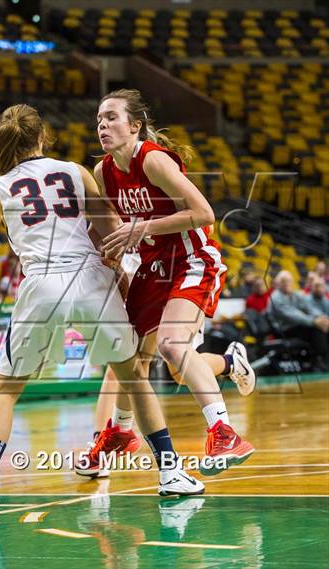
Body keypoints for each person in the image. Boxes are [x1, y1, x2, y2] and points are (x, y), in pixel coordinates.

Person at [0, 104, 205, 510]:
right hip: (90, 278)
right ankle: (171, 471)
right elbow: (110, 233)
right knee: (134, 378)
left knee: (6, 390)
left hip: (41, 282)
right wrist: (122, 276)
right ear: (42, 137)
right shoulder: (75, 170)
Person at [77, 89, 254, 479]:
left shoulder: (152, 160)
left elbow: (204, 213)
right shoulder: (105, 171)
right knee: (129, 357)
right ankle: (121, 432)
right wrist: (89, 259)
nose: (102, 126)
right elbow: (105, 225)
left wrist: (141, 228)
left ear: (135, 125)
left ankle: (223, 432)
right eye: (98, 121)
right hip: (153, 264)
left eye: (111, 118)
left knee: (173, 347)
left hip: (192, 259)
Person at [267, 270, 329, 369]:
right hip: (283, 330)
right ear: (278, 283)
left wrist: (321, 317)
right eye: (283, 281)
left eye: (289, 281)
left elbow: (308, 307)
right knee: (316, 329)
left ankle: (322, 358)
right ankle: (321, 360)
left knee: (323, 326)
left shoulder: (295, 294)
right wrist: (314, 321)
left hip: (296, 326)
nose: (287, 283)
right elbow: (293, 315)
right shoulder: (275, 298)